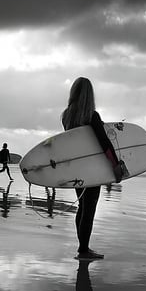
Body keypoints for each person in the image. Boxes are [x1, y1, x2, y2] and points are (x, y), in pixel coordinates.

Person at [62, 77, 123, 260]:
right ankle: (83, 250)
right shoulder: (91, 116)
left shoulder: (67, 116)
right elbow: (104, 143)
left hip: (76, 168)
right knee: (89, 209)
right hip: (92, 170)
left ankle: (82, 247)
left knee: (82, 206)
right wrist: (115, 165)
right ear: (90, 94)